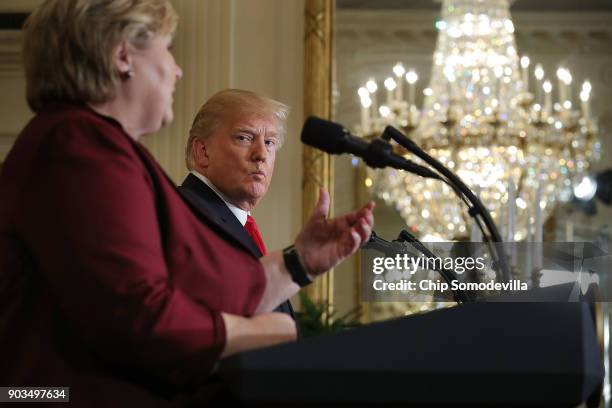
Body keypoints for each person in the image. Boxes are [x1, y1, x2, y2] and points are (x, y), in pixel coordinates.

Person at [0, 0, 374, 406]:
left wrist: (299, 261)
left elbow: (198, 287)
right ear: (124, 56)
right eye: (167, 49)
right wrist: (265, 333)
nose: (177, 69)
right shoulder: (78, 144)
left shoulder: (97, 143)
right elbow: (136, 316)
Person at [180, 89, 296, 325]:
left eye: (270, 142)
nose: (261, 154)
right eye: (244, 138)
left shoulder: (230, 220)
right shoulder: (189, 212)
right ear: (202, 151)